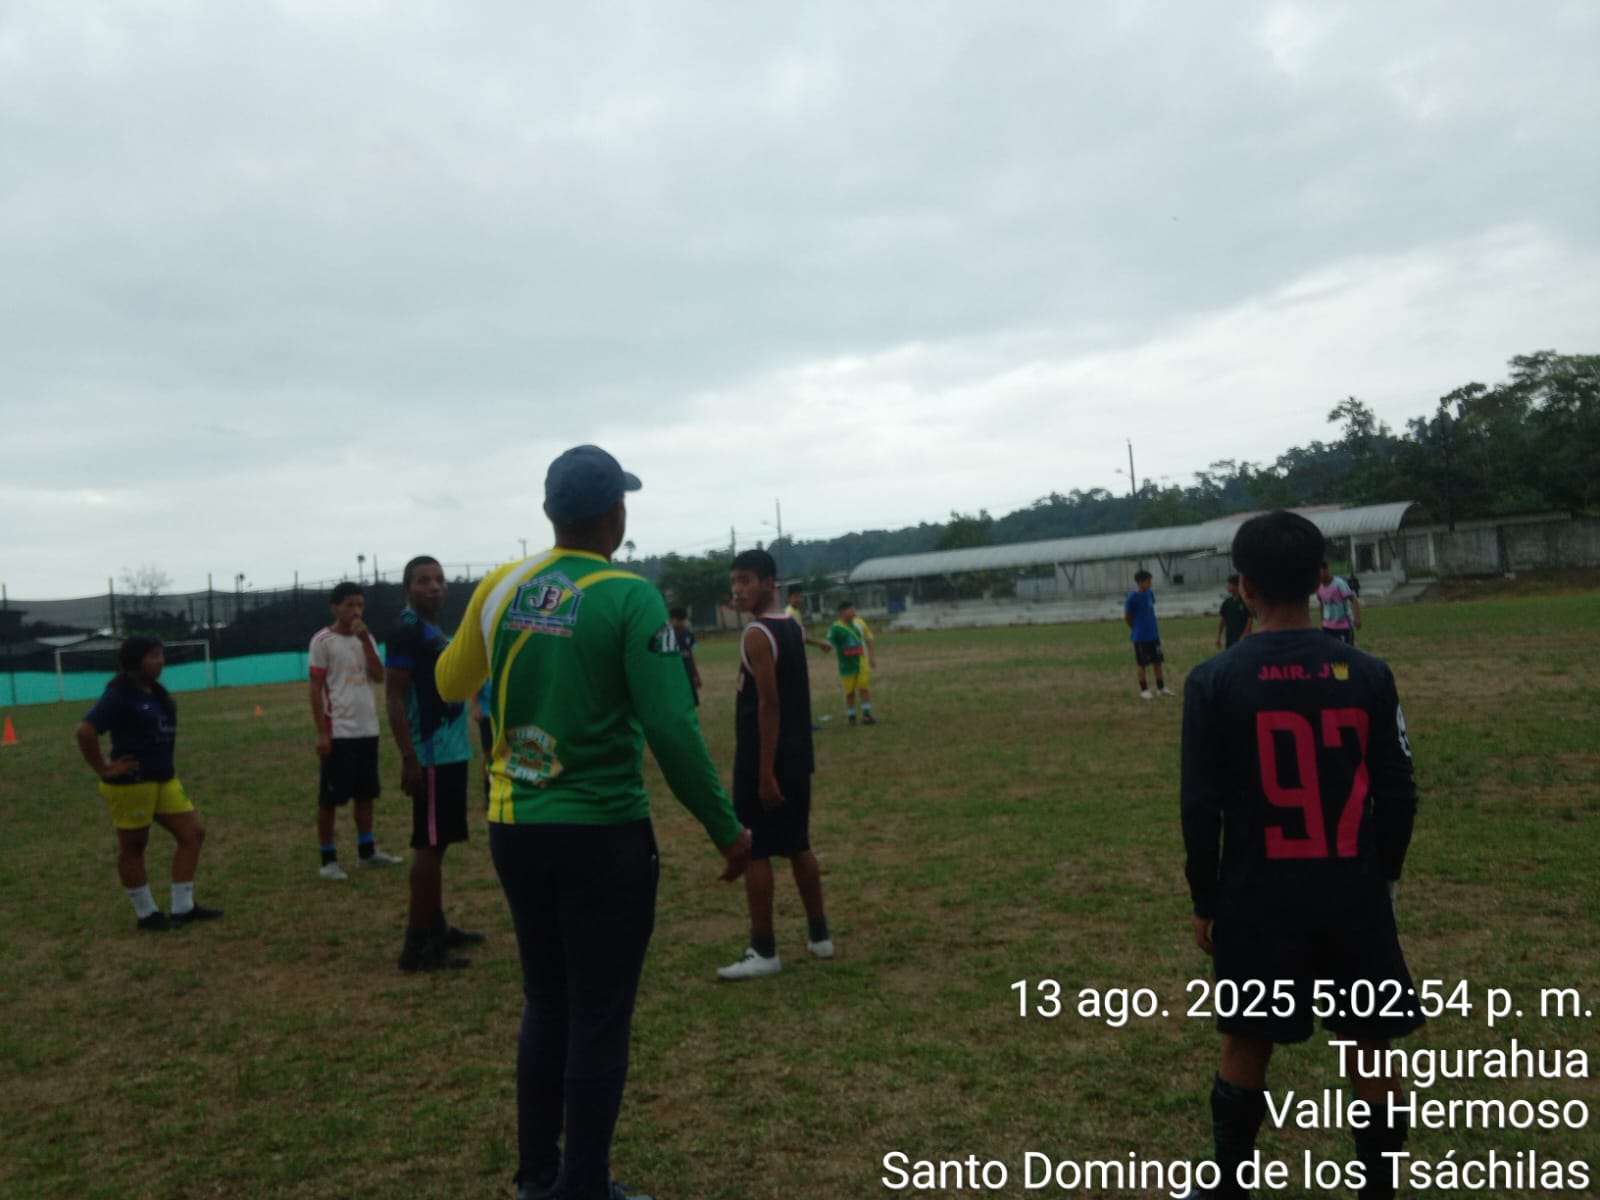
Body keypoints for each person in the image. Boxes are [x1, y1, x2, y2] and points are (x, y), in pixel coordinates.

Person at [435, 444, 751, 1200]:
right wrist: (726, 829)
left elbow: (450, 681)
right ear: (616, 514)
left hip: (516, 827)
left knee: (546, 1002)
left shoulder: (501, 586)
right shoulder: (632, 596)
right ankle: (582, 1185)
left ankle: (538, 1178)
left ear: (550, 514)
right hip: (604, 834)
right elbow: (671, 728)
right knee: (599, 1015)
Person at [1179, 510, 1420, 1200]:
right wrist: (1385, 875)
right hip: (1351, 890)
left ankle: (1229, 1185)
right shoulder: (1368, 672)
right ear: (1320, 579)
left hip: (1257, 895)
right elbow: (1398, 790)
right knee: (1369, 1042)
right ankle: (1378, 1190)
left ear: (1244, 586)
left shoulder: (1213, 679)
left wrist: (1205, 899)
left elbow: (1200, 807)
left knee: (1245, 1038)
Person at [718, 550, 832, 981]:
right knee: (799, 843)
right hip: (799, 753)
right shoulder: (792, 626)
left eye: (746, 580)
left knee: (758, 850)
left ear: (769, 583)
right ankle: (820, 936)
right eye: (734, 581)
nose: (737, 589)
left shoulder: (757, 633)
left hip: (764, 758)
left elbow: (769, 704)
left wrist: (765, 772)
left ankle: (763, 949)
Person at [75, 636, 223, 931]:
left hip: (164, 779)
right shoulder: (119, 695)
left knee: (192, 833)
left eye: (161, 655)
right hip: (132, 784)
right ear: (135, 661)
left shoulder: (155, 693)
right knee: (134, 847)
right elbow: (85, 731)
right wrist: (103, 768)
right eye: (153, 656)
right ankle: (147, 914)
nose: (160, 662)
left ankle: (183, 907)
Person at [384, 555, 485, 972]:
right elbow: (394, 696)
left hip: (451, 752)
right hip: (429, 755)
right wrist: (408, 757)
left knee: (439, 843)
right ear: (407, 589)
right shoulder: (406, 631)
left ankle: (436, 926)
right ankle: (417, 946)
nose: (435, 586)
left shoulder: (431, 629)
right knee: (428, 845)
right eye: (424, 580)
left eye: (440, 579)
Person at [309, 581, 402, 880]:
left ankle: (367, 851)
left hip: (367, 728)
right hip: (339, 731)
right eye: (349, 605)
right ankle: (328, 859)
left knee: (366, 794)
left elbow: (378, 676)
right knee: (330, 798)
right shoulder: (322, 641)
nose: (356, 611)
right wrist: (322, 732)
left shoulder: (367, 638)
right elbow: (315, 688)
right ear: (335, 608)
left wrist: (364, 641)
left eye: (360, 605)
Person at [1124, 569, 1175, 699]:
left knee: (1157, 661)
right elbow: (1128, 617)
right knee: (1142, 664)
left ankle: (1161, 688)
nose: (1150, 583)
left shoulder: (1150, 594)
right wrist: (1135, 628)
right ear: (1140, 582)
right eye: (1148, 581)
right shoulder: (1132, 597)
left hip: (1153, 634)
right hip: (1141, 637)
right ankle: (1144, 690)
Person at [826, 600, 878, 724]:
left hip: (861, 662)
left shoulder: (860, 622)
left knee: (864, 688)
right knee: (849, 692)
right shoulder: (835, 628)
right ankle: (851, 716)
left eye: (854, 610)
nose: (854, 613)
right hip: (846, 665)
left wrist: (872, 657)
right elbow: (828, 644)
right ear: (843, 612)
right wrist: (824, 646)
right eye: (851, 610)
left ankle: (866, 715)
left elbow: (869, 638)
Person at [1317, 560, 1362, 644]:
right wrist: (1322, 619)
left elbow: (1353, 599)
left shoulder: (1339, 584)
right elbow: (1321, 602)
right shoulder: (1319, 586)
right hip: (1327, 627)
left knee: (1345, 651)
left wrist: (1357, 618)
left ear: (1326, 570)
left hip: (1343, 626)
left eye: (1319, 573)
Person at [667, 606, 702, 706]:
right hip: (674, 673)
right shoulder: (666, 635)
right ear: (672, 619)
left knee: (692, 700)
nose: (681, 623)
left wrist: (696, 674)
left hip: (688, 671)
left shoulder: (688, 633)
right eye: (678, 620)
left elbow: (691, 654)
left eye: (683, 620)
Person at [1214, 573, 1254, 650]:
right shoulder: (1227, 602)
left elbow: (1250, 619)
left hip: (1242, 637)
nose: (1227, 586)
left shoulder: (1245, 601)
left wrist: (1245, 634)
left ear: (1237, 585)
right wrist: (1218, 636)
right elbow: (1222, 620)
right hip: (1230, 636)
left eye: (1229, 584)